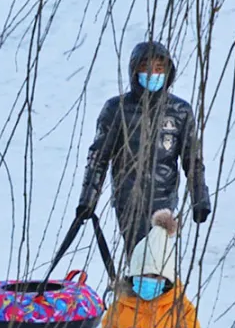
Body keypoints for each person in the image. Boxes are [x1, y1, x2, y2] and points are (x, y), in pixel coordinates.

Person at [76, 41, 212, 258]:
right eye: (146, 68)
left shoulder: (180, 111)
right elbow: (98, 158)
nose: (153, 74)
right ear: (134, 71)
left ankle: (163, 292)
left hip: (164, 201)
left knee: (160, 262)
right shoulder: (117, 109)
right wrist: (88, 199)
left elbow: (192, 160)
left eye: (159, 69)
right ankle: (135, 290)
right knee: (139, 259)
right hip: (129, 201)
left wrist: (200, 198)